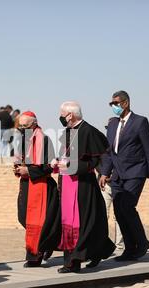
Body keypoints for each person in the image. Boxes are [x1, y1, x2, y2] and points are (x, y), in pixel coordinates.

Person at [53, 101, 116, 273]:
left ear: (70, 115)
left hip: (82, 185)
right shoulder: (69, 131)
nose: (59, 117)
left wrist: (99, 173)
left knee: (82, 223)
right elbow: (66, 155)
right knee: (73, 222)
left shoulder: (89, 131)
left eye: (61, 114)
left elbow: (96, 159)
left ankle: (73, 262)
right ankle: (99, 251)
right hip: (67, 183)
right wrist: (59, 163)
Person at [100, 90, 149, 261]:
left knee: (126, 206)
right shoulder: (112, 124)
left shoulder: (140, 122)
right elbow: (110, 152)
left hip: (136, 172)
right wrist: (105, 172)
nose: (113, 107)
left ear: (125, 103)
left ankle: (141, 243)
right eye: (111, 104)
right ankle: (130, 248)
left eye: (116, 104)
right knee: (119, 211)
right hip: (117, 175)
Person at [13, 111, 61, 267]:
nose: (21, 128)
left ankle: (35, 256)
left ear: (34, 124)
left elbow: (50, 167)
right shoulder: (22, 140)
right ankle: (45, 245)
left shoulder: (45, 140)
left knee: (39, 222)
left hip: (42, 186)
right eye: (20, 126)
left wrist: (29, 171)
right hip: (26, 185)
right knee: (23, 218)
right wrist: (18, 169)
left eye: (24, 126)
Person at [100, 118, 124, 250]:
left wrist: (113, 176)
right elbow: (98, 163)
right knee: (103, 213)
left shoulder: (123, 146)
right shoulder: (102, 146)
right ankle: (103, 244)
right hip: (104, 185)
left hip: (119, 184)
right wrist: (104, 175)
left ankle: (120, 244)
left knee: (120, 214)